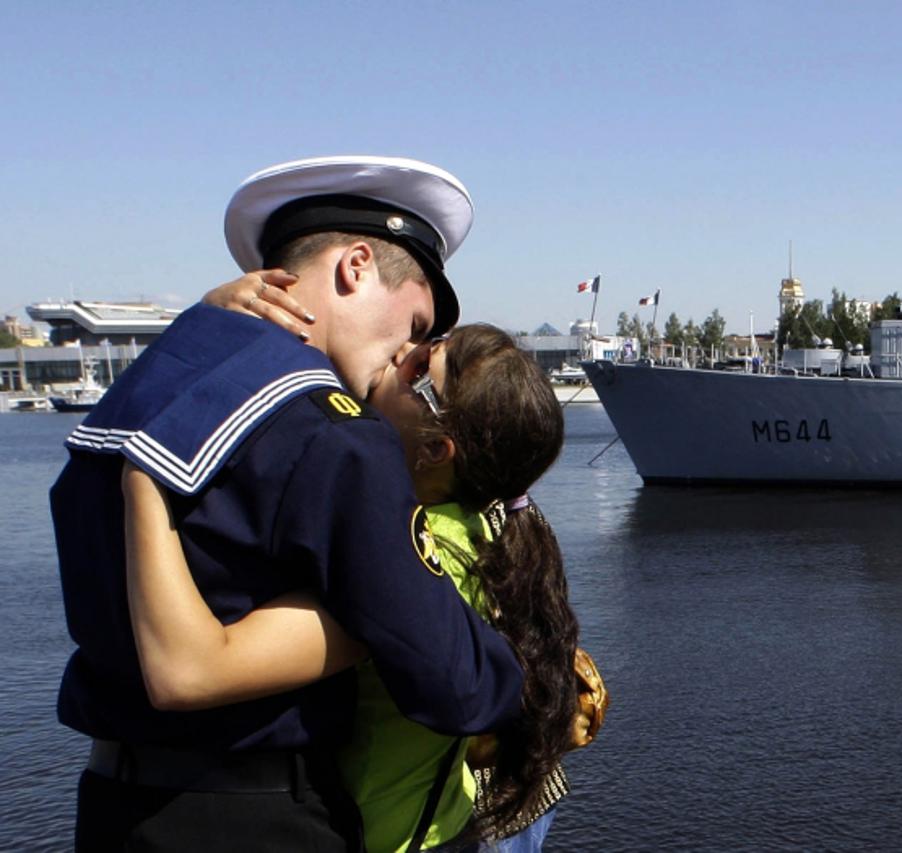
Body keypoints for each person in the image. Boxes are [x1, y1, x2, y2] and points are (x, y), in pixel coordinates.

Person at [51, 156, 525, 851]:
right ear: (356, 266)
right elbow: (457, 687)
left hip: (111, 806)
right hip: (255, 815)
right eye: (416, 322)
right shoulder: (335, 434)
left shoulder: (143, 387)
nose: (409, 348)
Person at [121, 323, 607, 851]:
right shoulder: (479, 528)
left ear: (436, 448)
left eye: (419, 367)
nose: (400, 351)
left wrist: (143, 475)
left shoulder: (408, 555)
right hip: (442, 820)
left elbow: (192, 669)